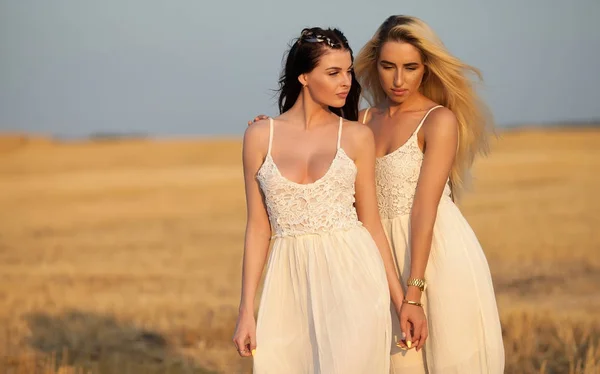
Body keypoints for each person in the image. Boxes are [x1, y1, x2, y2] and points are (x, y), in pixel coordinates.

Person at [233, 27, 425, 374]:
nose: (346, 82)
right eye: (333, 72)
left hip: (354, 278)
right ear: (303, 76)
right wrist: (246, 310)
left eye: (348, 71)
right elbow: (258, 228)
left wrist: (403, 303)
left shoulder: (355, 136)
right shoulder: (260, 136)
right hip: (286, 287)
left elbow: (372, 226)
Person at [355, 15, 505, 373]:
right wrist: (269, 128)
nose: (398, 79)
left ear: (426, 68)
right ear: (375, 65)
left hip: (436, 254)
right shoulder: (359, 121)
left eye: (410, 67)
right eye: (388, 66)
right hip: (378, 255)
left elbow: (425, 207)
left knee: (451, 359)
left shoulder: (439, 121)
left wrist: (413, 293)